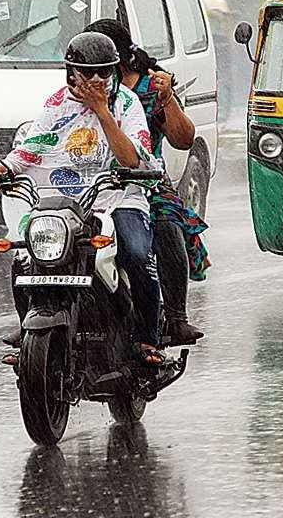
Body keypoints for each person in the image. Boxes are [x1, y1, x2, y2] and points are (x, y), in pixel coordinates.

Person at [0, 32, 165, 365]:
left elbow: (132, 159)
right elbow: (33, 146)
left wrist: (101, 111)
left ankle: (147, 339)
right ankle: (29, 329)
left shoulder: (126, 104)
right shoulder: (56, 103)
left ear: (114, 72)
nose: (96, 79)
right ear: (71, 72)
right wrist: (2, 167)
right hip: (63, 201)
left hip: (117, 195)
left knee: (136, 254)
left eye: (104, 72)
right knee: (25, 257)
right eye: (87, 72)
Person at [85, 18, 207, 346]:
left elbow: (184, 140)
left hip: (142, 180)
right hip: (87, 181)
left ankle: (176, 317)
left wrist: (167, 100)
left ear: (117, 59)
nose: (92, 74)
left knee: (167, 228)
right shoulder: (77, 91)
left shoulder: (146, 90)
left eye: (100, 64)